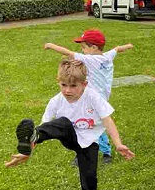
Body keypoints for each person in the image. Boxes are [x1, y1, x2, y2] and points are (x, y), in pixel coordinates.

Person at [4, 59, 135, 190]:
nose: (67, 90)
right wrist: (28, 148)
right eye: (64, 85)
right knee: (62, 123)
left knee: (89, 178)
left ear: (84, 84)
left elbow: (107, 120)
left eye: (73, 86)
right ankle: (33, 137)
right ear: (58, 82)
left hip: (89, 143)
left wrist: (118, 144)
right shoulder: (55, 101)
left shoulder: (93, 96)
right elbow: (46, 127)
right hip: (69, 136)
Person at [44, 29, 133, 165]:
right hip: (103, 99)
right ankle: (102, 152)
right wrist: (127, 46)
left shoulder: (89, 59)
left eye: (84, 47)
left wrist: (51, 45)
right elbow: (117, 49)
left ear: (94, 47)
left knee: (90, 125)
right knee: (98, 123)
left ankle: (99, 151)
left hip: (91, 99)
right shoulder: (107, 56)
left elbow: (67, 52)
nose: (83, 50)